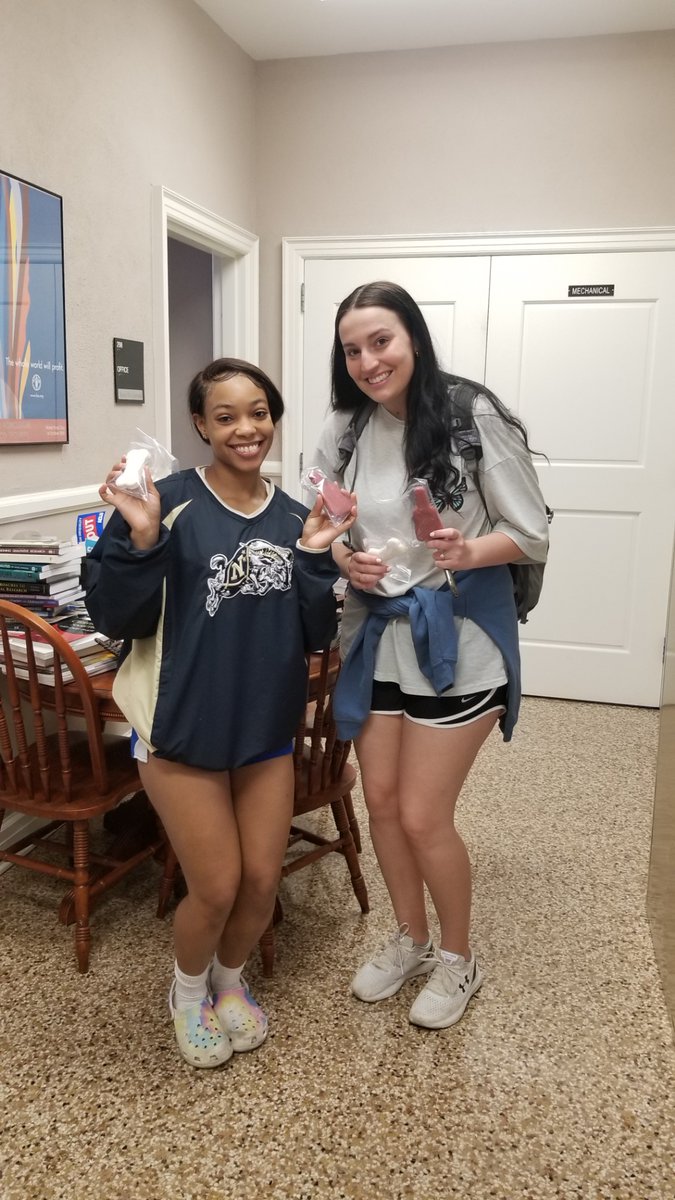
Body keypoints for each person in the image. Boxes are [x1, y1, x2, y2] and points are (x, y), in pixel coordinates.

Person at [84, 357, 354, 1068]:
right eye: (226, 415)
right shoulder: (160, 502)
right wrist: (141, 542)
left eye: (259, 412)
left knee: (263, 881)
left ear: (274, 418)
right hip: (181, 730)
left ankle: (228, 987)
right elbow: (117, 617)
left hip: (262, 731)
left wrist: (317, 559)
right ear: (200, 424)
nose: (246, 428)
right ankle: (185, 993)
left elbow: (314, 634)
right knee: (217, 885)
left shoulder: (297, 517)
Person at [310, 281, 549, 1030]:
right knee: (379, 803)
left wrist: (469, 548)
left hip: (459, 638)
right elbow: (326, 523)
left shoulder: (466, 415)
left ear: (412, 337)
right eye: (352, 348)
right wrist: (346, 560)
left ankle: (457, 958)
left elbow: (531, 531)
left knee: (421, 813)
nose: (367, 360)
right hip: (376, 636)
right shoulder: (344, 429)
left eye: (380, 341)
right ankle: (409, 939)